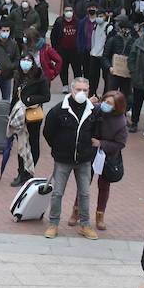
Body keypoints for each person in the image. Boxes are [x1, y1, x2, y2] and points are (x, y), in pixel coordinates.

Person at [42, 77, 99, 239]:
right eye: (78, 89)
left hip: (84, 160)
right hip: (62, 159)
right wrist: (59, 147)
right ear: (71, 90)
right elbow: (48, 132)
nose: (81, 93)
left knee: (85, 193)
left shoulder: (92, 111)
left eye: (85, 90)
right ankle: (53, 224)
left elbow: (96, 131)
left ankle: (85, 225)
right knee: (57, 193)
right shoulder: (58, 110)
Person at [83, 89, 127, 232]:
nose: (105, 104)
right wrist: (87, 103)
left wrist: (101, 143)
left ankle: (100, 215)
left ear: (116, 106)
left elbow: (120, 144)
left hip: (107, 156)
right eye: (105, 101)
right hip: (89, 152)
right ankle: (76, 211)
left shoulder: (120, 122)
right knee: (83, 183)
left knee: (104, 185)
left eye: (109, 103)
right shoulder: (96, 109)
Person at [9, 52, 51, 187]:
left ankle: (29, 172)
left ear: (33, 62)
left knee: (33, 143)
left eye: (28, 60)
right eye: (23, 59)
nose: (25, 62)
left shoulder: (40, 77)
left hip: (33, 115)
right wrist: (10, 114)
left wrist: (30, 100)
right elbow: (14, 96)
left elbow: (46, 96)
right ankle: (21, 172)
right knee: (21, 143)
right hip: (19, 116)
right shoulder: (18, 76)